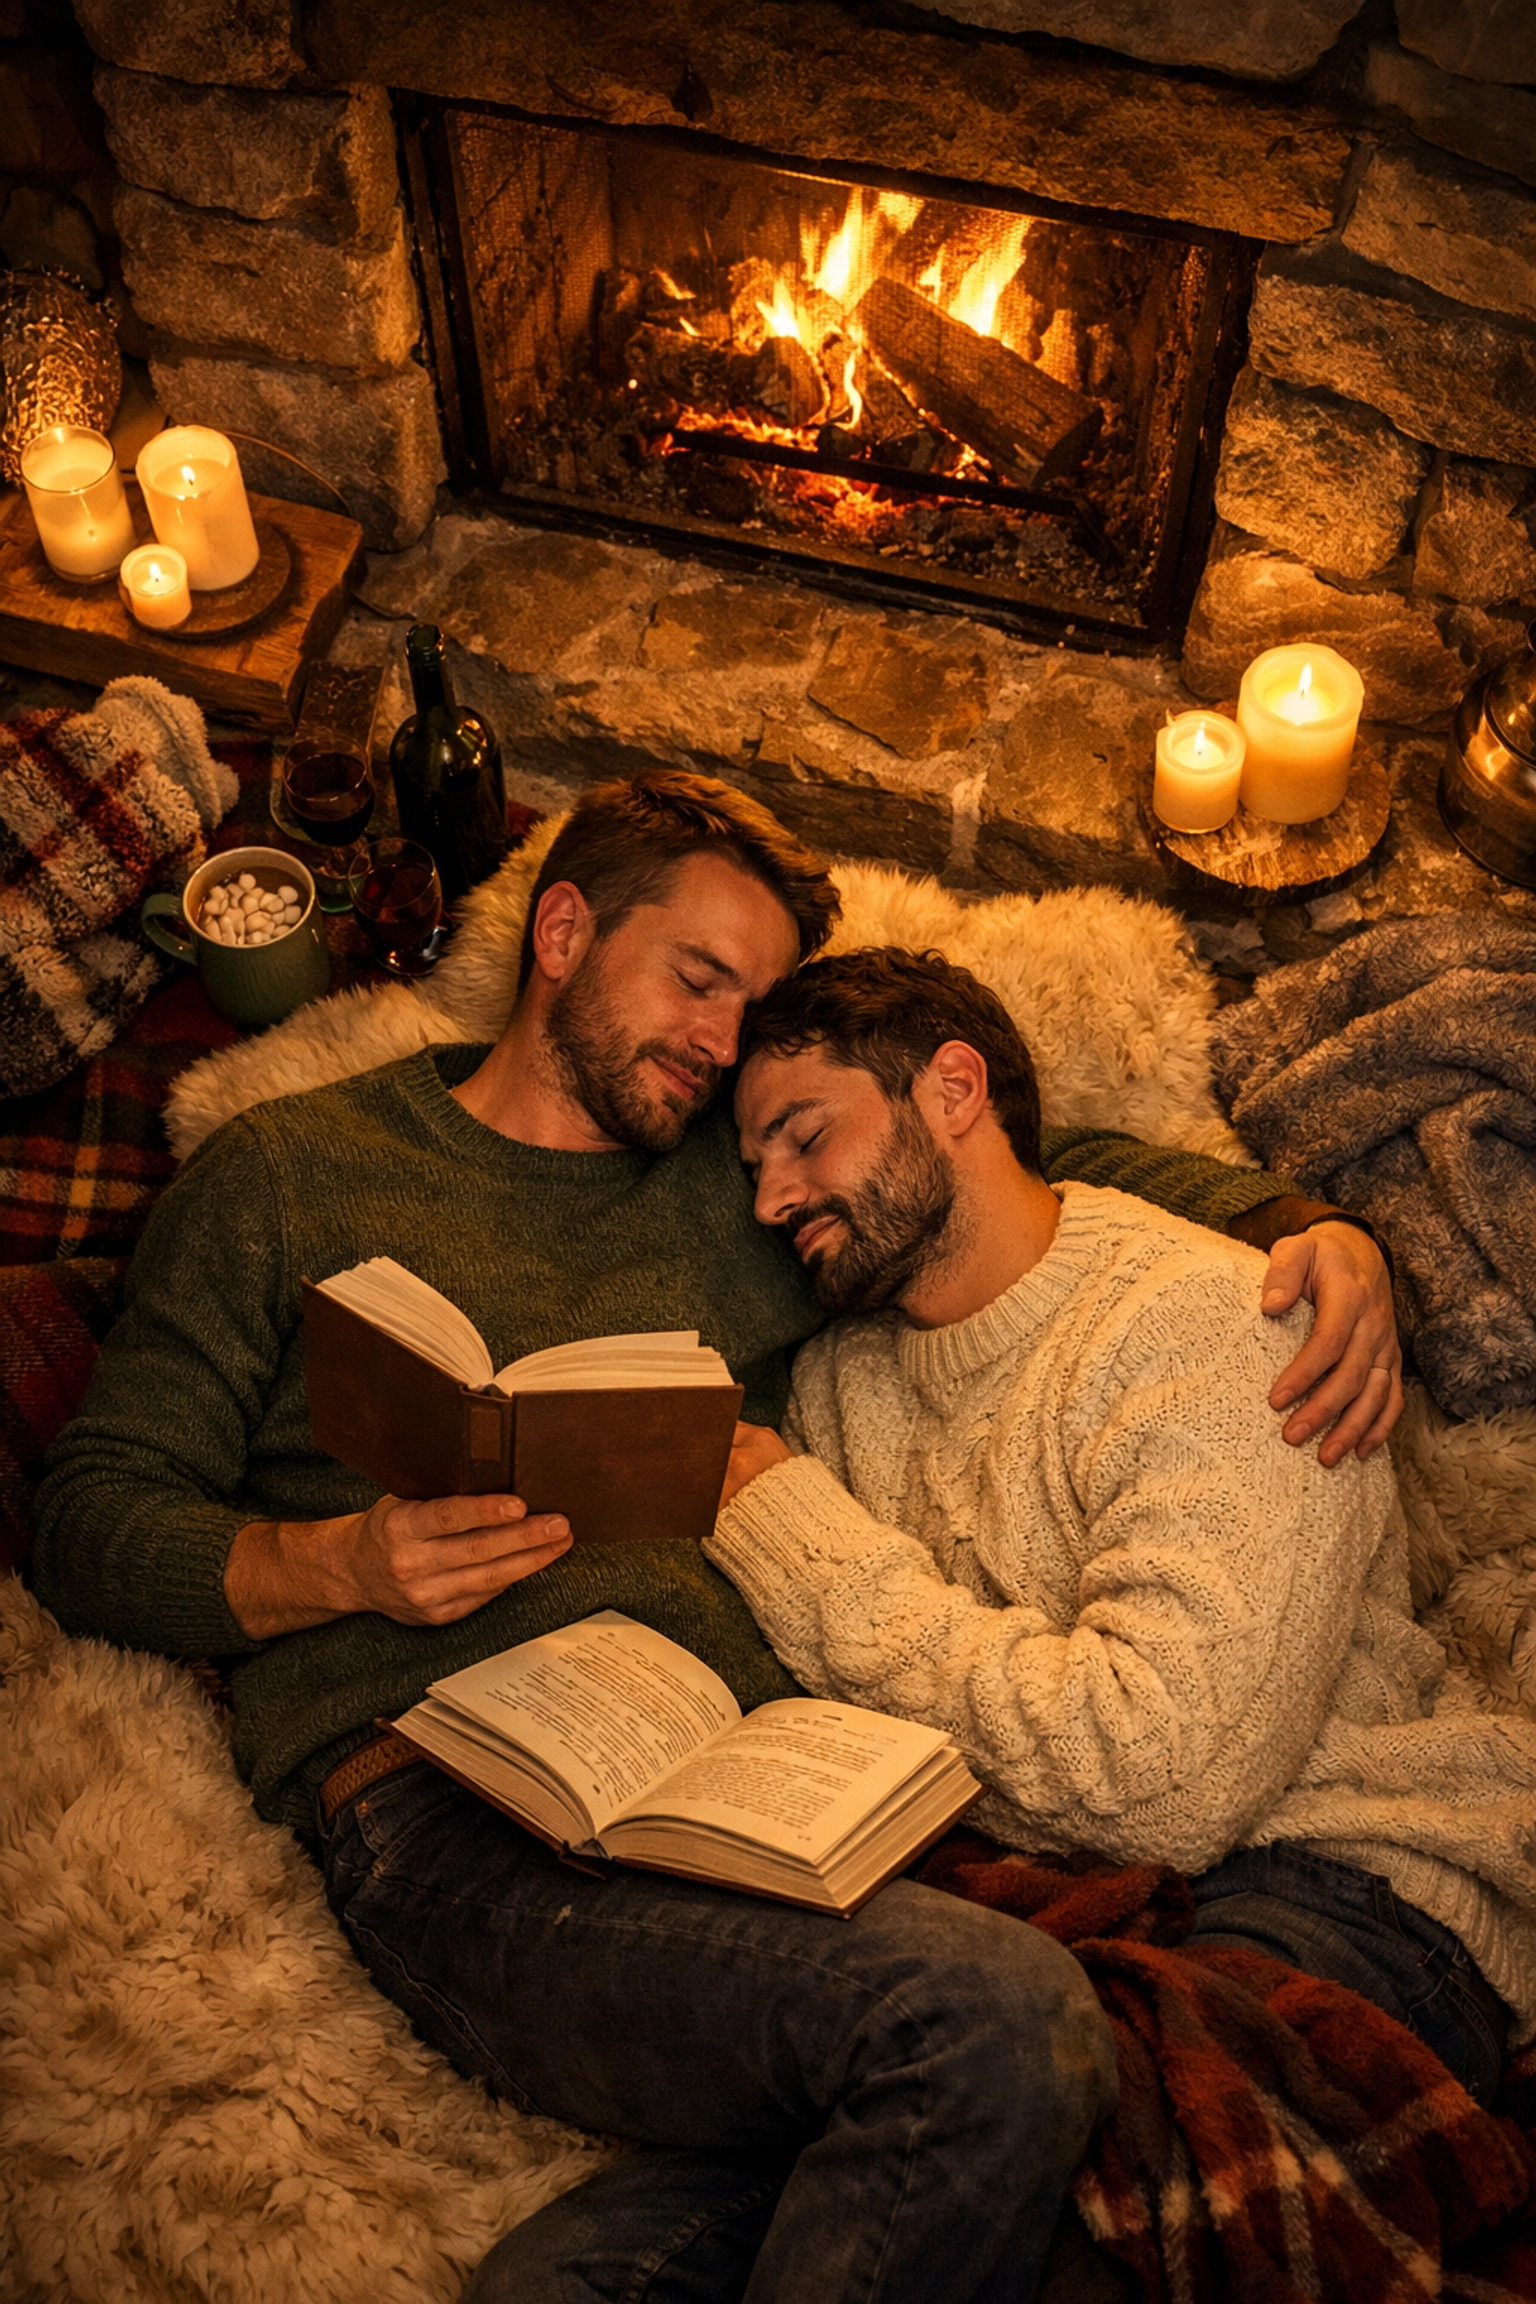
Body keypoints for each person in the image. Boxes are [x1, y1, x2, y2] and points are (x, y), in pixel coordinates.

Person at [33, 773, 1402, 2303]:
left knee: (588, 2273)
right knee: (992, 2021)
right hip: (457, 1808)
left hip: (739, 1802)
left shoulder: (745, 1185)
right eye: (698, 978)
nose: (718, 1037)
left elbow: (1009, 1165)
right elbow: (90, 1515)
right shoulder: (286, 1173)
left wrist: (1312, 1231)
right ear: (563, 931)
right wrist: (340, 1565)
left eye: (749, 1009)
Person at [714, 946, 1536, 2123]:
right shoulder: (837, 1388)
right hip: (1039, 1908)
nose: (772, 1200)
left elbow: (1162, 1784)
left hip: (1337, 1869)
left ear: (954, 1090)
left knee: (1061, 2126)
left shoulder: (1220, 1324)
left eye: (803, 1137)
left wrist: (800, 1546)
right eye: (756, 1168)